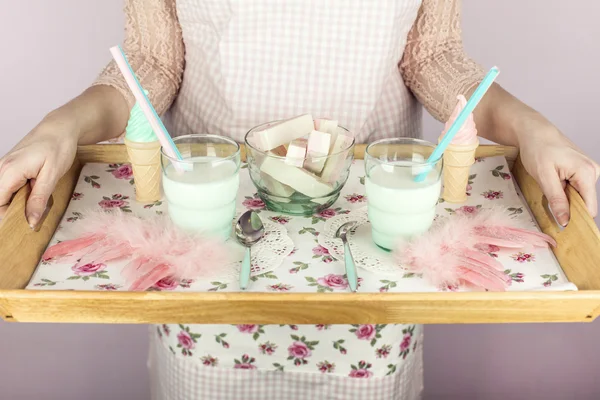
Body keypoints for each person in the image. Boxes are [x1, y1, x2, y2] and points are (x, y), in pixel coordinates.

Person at [1, 0, 598, 399]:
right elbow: (155, 63)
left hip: (369, 242)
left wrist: (531, 126)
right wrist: (64, 123)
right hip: (214, 239)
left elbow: (431, 56)